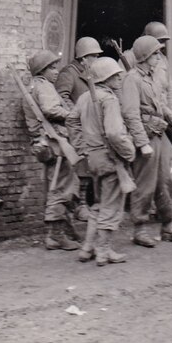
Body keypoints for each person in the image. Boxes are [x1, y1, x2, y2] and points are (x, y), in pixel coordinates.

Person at [119, 35, 172, 247]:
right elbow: (130, 114)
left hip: (159, 135)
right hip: (147, 139)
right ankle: (139, 229)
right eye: (155, 53)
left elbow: (160, 104)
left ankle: (168, 226)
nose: (158, 57)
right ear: (144, 56)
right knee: (144, 185)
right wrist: (142, 143)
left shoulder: (150, 77)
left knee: (164, 183)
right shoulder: (132, 79)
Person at [69, 57, 136, 266]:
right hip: (110, 159)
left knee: (98, 203)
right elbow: (115, 133)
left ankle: (87, 248)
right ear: (105, 79)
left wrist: (82, 147)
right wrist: (129, 152)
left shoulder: (83, 98)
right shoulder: (109, 99)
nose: (118, 78)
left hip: (93, 158)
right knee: (111, 205)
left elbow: (71, 120)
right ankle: (103, 251)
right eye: (115, 75)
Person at [23, 49, 82, 251]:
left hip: (45, 143)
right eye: (52, 67)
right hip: (53, 143)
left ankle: (65, 230)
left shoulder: (35, 86)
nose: (56, 71)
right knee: (60, 188)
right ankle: (55, 236)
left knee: (60, 185)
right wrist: (73, 115)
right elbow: (51, 110)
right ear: (42, 71)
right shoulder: (44, 87)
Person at [57, 37, 103, 221]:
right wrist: (76, 114)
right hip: (75, 128)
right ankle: (79, 206)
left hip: (89, 127)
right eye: (93, 56)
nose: (96, 60)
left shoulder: (90, 73)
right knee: (79, 169)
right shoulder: (69, 73)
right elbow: (62, 96)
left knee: (89, 167)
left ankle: (84, 204)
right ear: (83, 57)